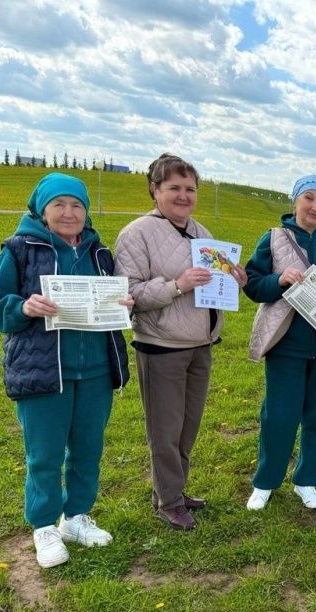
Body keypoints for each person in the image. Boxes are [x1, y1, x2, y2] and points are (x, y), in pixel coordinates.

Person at [0, 173, 131, 568]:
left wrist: (121, 302)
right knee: (44, 455)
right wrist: (23, 307)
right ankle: (44, 525)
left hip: (95, 370)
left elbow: (110, 302)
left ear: (86, 211)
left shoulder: (100, 253)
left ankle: (76, 517)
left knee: (88, 449)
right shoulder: (19, 250)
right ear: (42, 210)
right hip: (44, 372)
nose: (69, 213)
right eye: (59, 204)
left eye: (77, 205)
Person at [115, 154, 247, 531]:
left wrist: (232, 281)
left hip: (200, 345)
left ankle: (174, 490)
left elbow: (214, 286)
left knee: (188, 426)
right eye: (174, 187)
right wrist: (177, 285)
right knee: (165, 429)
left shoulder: (202, 233)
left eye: (190, 188)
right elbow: (130, 292)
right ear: (155, 190)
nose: (183, 195)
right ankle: (169, 500)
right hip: (161, 345)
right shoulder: (136, 233)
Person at [244, 175, 316, 511]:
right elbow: (253, 285)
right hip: (287, 346)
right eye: (308, 199)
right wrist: (279, 280)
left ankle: (307, 480)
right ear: (295, 201)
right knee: (279, 417)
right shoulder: (274, 238)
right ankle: (265, 482)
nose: (315, 207)